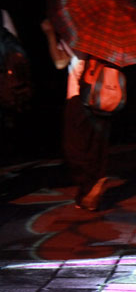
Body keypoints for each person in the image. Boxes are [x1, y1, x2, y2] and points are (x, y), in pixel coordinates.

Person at [41, 19, 109, 210]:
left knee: (74, 147)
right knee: (95, 145)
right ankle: (89, 192)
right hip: (103, 98)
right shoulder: (104, 39)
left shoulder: (78, 37)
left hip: (79, 96)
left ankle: (90, 187)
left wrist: (50, 33)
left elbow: (59, 62)